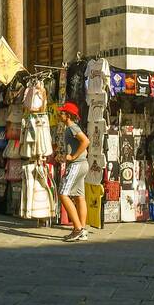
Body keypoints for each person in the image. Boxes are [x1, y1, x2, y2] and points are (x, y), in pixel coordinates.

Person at [57, 102, 90, 241]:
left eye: (62, 113)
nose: (60, 115)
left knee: (63, 193)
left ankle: (77, 228)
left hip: (76, 164)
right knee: (79, 196)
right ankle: (82, 229)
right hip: (82, 164)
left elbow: (86, 141)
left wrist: (73, 156)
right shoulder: (70, 128)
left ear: (68, 115)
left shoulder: (72, 128)